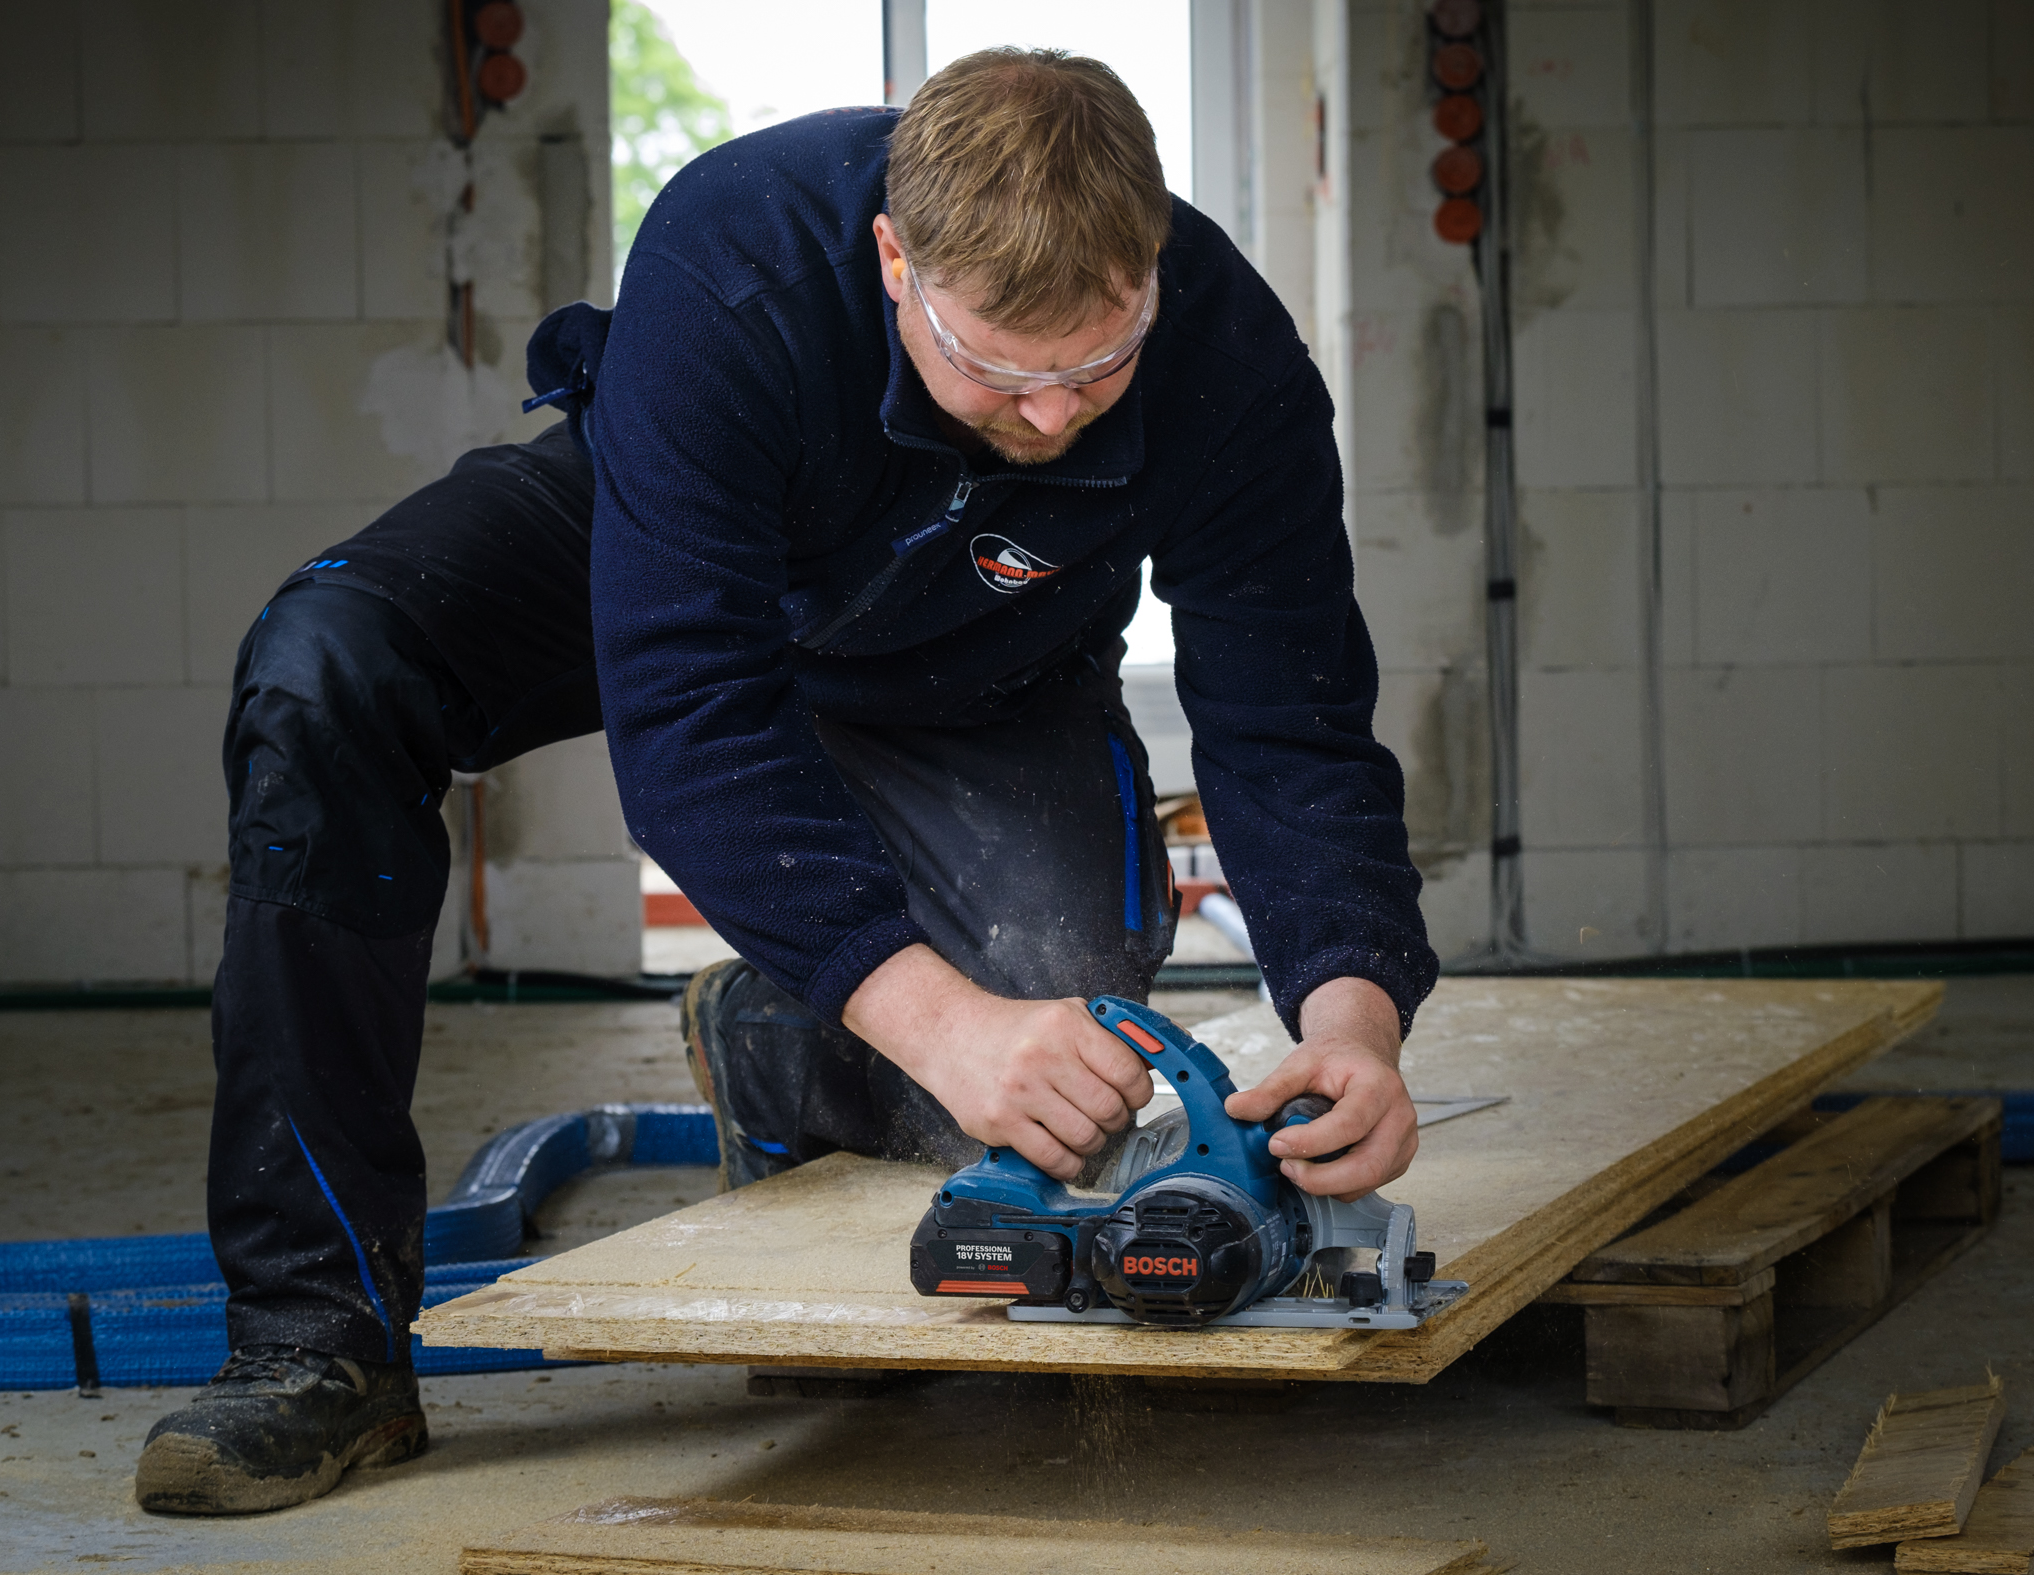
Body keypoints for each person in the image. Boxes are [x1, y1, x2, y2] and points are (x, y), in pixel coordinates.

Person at [134, 48, 1436, 1517]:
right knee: (328, 665)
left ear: (1149, 269)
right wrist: (938, 1019)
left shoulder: (1230, 363)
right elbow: (690, 715)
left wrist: (1356, 1021)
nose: (1057, 415)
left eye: (1098, 362)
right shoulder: (733, 254)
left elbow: (1292, 721)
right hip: (680, 558)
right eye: (1001, 368)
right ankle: (317, 1349)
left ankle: (786, 1033)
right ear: (894, 259)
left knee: (1057, 1056)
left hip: (982, 649)